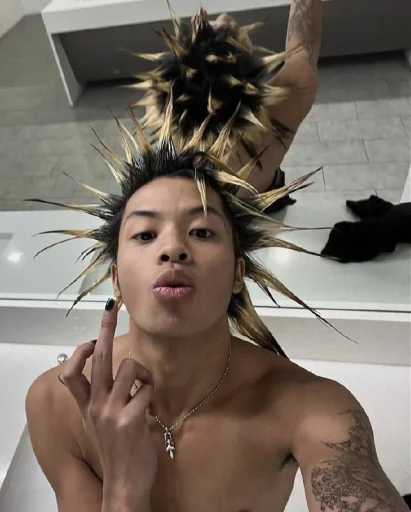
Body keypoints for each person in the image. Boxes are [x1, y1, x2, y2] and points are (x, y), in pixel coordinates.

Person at [24, 96, 407, 512]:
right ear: (116, 278)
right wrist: (122, 487)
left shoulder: (314, 409)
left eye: (202, 232)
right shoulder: (55, 403)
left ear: (238, 274)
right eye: (146, 234)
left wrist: (121, 493)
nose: (173, 248)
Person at [135, 2, 323, 208]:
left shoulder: (159, 111)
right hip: (264, 204)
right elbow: (302, 48)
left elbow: (190, 86)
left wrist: (195, 47)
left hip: (205, 210)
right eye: (234, 31)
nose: (223, 16)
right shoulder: (284, 106)